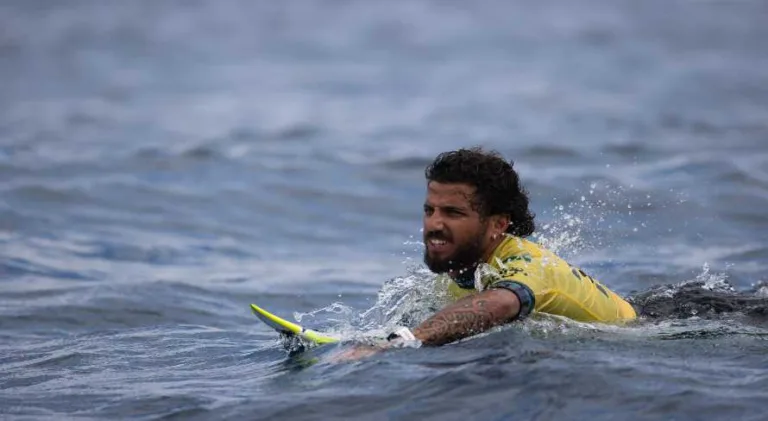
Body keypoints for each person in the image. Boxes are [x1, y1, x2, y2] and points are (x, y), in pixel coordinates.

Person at [338, 147, 636, 359]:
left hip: (647, 328)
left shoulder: (528, 265)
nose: (434, 224)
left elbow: (500, 303)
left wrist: (404, 343)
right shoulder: (461, 267)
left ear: (498, 224)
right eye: (429, 210)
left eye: (452, 213)